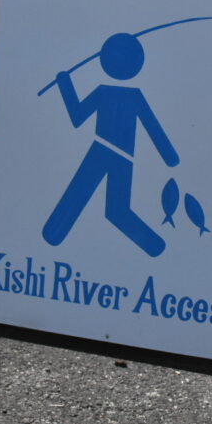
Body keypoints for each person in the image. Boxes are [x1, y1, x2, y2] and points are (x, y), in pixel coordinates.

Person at [42, 33, 179, 257]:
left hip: (109, 154)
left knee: (101, 205)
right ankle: (155, 247)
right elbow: (78, 117)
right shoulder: (114, 93)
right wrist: (65, 84)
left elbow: (78, 117)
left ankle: (155, 247)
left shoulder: (122, 95)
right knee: (99, 204)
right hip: (111, 153)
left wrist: (65, 84)